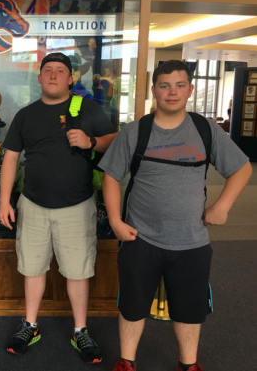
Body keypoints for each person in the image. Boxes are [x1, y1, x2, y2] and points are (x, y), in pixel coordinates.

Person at [98, 60, 252, 371]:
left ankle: (188, 363)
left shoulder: (204, 129)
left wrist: (222, 207)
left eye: (180, 85)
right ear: (154, 90)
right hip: (140, 238)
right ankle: (127, 361)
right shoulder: (136, 131)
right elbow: (111, 177)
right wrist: (115, 221)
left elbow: (241, 168)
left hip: (191, 241)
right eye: (165, 85)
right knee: (132, 305)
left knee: (190, 308)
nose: (172, 92)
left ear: (190, 90)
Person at [0, 53, 117, 363]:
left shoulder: (86, 109)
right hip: (33, 204)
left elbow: (114, 142)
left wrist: (91, 141)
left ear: (70, 79)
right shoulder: (25, 115)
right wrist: (3, 201)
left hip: (77, 206)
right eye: (47, 70)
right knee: (32, 267)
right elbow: (10, 157)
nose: (53, 75)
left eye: (60, 71)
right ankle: (30, 325)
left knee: (78, 271)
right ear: (39, 78)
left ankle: (80, 331)